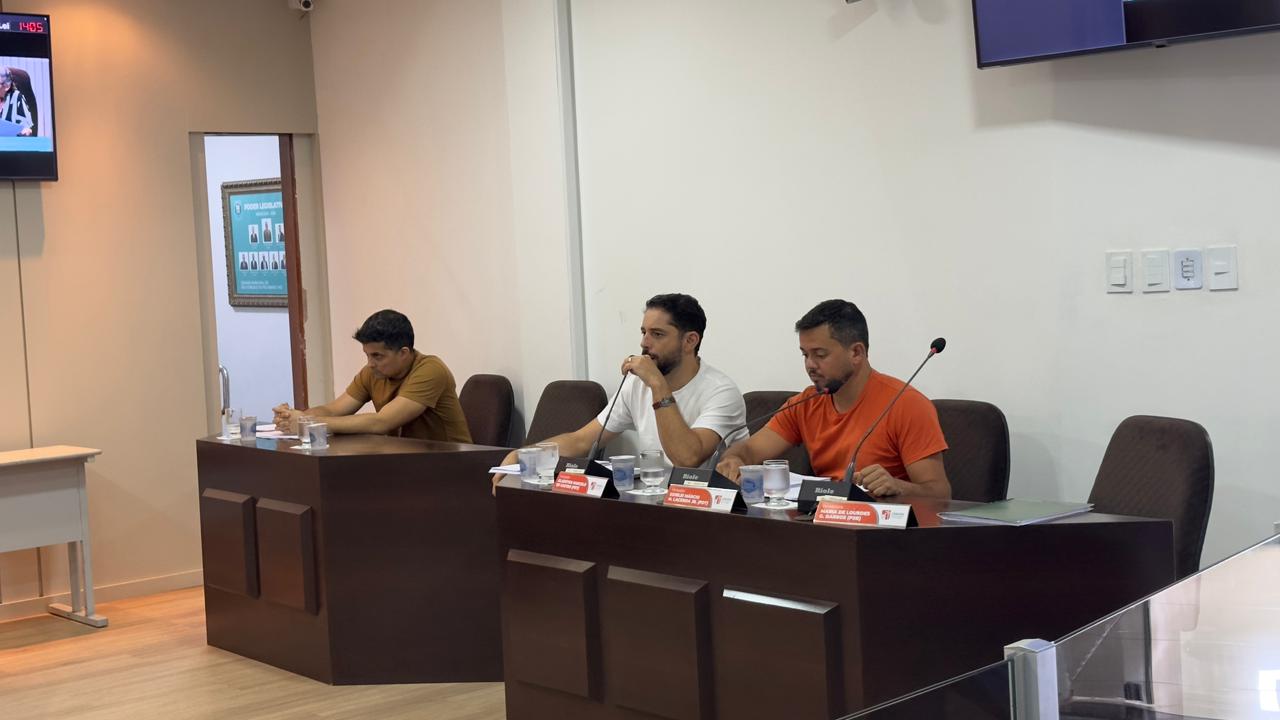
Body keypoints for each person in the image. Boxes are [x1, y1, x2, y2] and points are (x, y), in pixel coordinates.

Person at [492, 293, 746, 488]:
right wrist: (526, 454)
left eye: (657, 334)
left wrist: (658, 385)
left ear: (690, 341)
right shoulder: (637, 385)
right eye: (644, 332)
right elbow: (582, 440)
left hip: (708, 511)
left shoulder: (721, 391)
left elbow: (687, 458)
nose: (644, 343)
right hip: (654, 501)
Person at [716, 299, 950, 499]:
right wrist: (735, 459)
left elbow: (940, 494)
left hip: (883, 529)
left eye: (820, 354)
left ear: (856, 353)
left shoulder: (906, 404)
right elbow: (750, 449)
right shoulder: (806, 403)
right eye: (805, 355)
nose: (810, 365)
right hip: (823, 524)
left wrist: (898, 486)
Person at [273, 309, 472, 442]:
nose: (370, 363)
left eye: (377, 356)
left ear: (403, 353)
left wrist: (308, 424)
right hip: (407, 461)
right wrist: (295, 417)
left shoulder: (431, 370)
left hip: (451, 465)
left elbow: (382, 422)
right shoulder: (373, 372)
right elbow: (333, 410)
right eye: (367, 355)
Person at [0, 68, 34, 136]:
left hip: (10, 140)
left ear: (7, 86)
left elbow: (25, 125)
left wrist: (25, 130)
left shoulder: (16, 97)